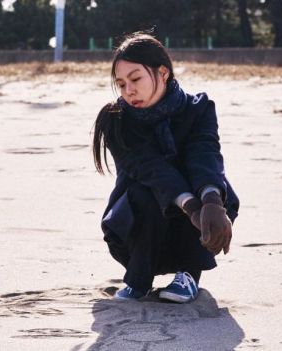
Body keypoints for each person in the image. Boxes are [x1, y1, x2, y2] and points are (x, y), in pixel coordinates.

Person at [92, 32, 239, 303]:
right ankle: (138, 279)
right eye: (121, 84)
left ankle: (188, 275)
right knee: (148, 190)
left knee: (212, 186)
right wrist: (191, 207)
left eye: (135, 79)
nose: (128, 90)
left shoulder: (199, 109)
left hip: (196, 229)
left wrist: (210, 201)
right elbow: (151, 169)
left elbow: (204, 152)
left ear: (163, 73)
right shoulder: (116, 121)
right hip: (136, 227)